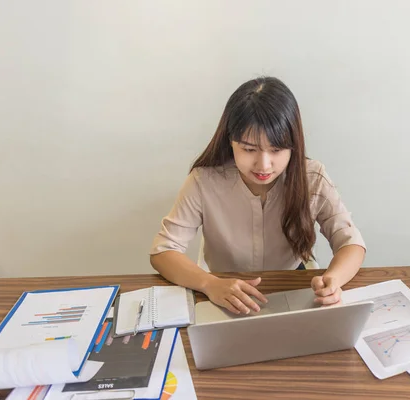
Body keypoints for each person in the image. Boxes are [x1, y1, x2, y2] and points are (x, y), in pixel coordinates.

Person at [149, 76, 366, 315]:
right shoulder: (204, 181)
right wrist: (208, 283)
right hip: (224, 292)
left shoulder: (312, 177)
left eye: (276, 150)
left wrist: (334, 279)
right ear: (230, 142)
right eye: (249, 149)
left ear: (294, 144)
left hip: (293, 289)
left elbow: (351, 242)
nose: (264, 165)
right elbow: (163, 251)